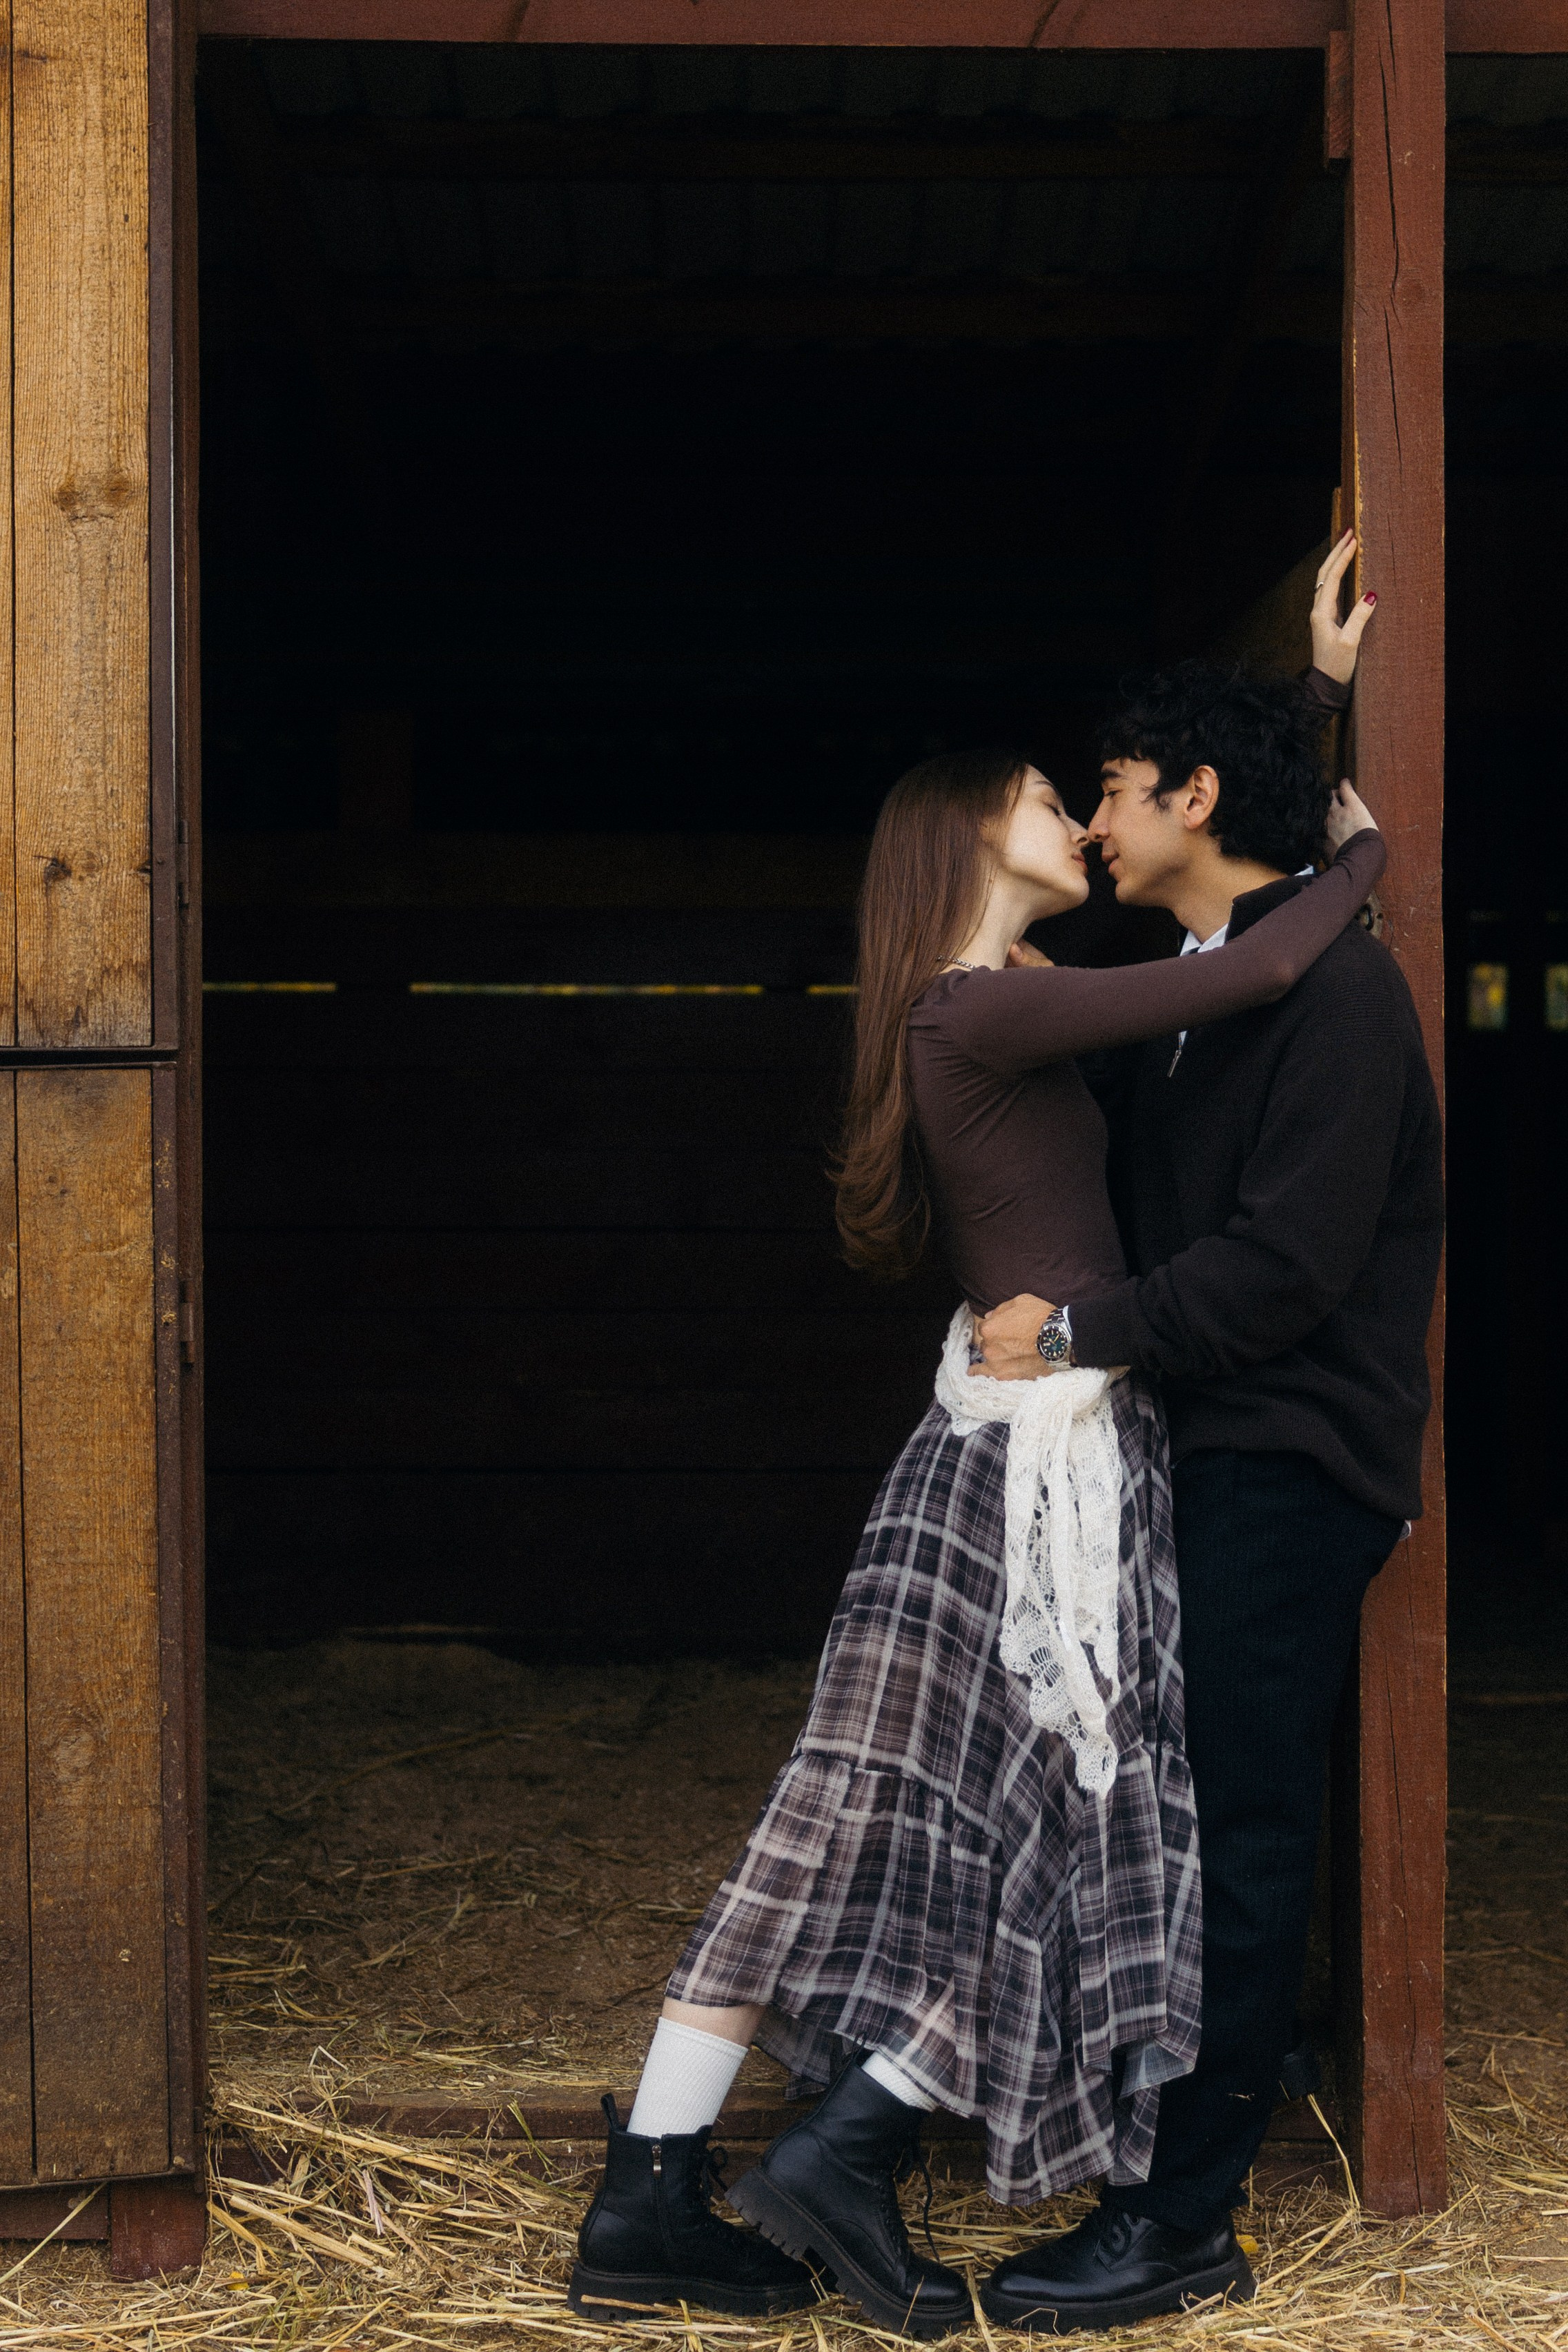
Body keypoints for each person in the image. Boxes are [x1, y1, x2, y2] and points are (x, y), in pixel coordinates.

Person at [568, 542, 1385, 2340]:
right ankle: (701, 2183)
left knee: (1003, 1832)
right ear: (966, 840)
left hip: (1041, 1445)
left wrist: (1298, 719)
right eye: (1046, 798)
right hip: (1028, 1470)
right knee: (902, 1826)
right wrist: (1370, 846)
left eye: (1089, 790)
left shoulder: (1010, 989)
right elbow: (1251, 963)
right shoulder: (986, 1001)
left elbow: (1208, 877)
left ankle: (764, 2167)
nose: (1080, 819)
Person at [972, 551, 1442, 2332]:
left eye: (1114, 785)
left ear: (1194, 800)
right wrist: (1310, 712)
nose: (1093, 816)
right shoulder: (1198, 974)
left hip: (1285, 1462)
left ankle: (1183, 2222)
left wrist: (1084, 1331)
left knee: (1237, 1832)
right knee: (1161, 1822)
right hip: (1188, 1448)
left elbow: (1284, 1270)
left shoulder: (1334, 1000)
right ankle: (1133, 2161)